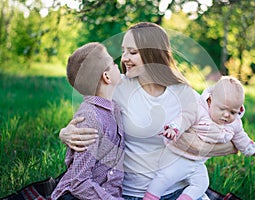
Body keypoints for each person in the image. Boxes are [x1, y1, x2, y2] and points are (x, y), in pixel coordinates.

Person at [58, 22, 237, 200]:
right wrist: (64, 133)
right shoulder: (117, 85)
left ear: (154, 54)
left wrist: (200, 147)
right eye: (124, 51)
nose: (124, 58)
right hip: (127, 193)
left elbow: (231, 133)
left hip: (175, 190)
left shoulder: (184, 94)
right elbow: (90, 112)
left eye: (133, 52)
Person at [144, 76, 255, 200]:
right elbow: (184, 118)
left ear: (239, 109)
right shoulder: (198, 110)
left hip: (198, 163)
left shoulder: (234, 123)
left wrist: (253, 150)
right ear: (210, 100)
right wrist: (173, 129)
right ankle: (150, 197)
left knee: (202, 184)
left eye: (233, 112)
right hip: (179, 157)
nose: (226, 115)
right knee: (164, 178)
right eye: (222, 109)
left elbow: (241, 138)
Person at [51, 42, 125, 200]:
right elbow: (79, 183)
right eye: (113, 63)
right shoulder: (90, 118)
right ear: (106, 77)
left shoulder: (114, 108)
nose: (118, 65)